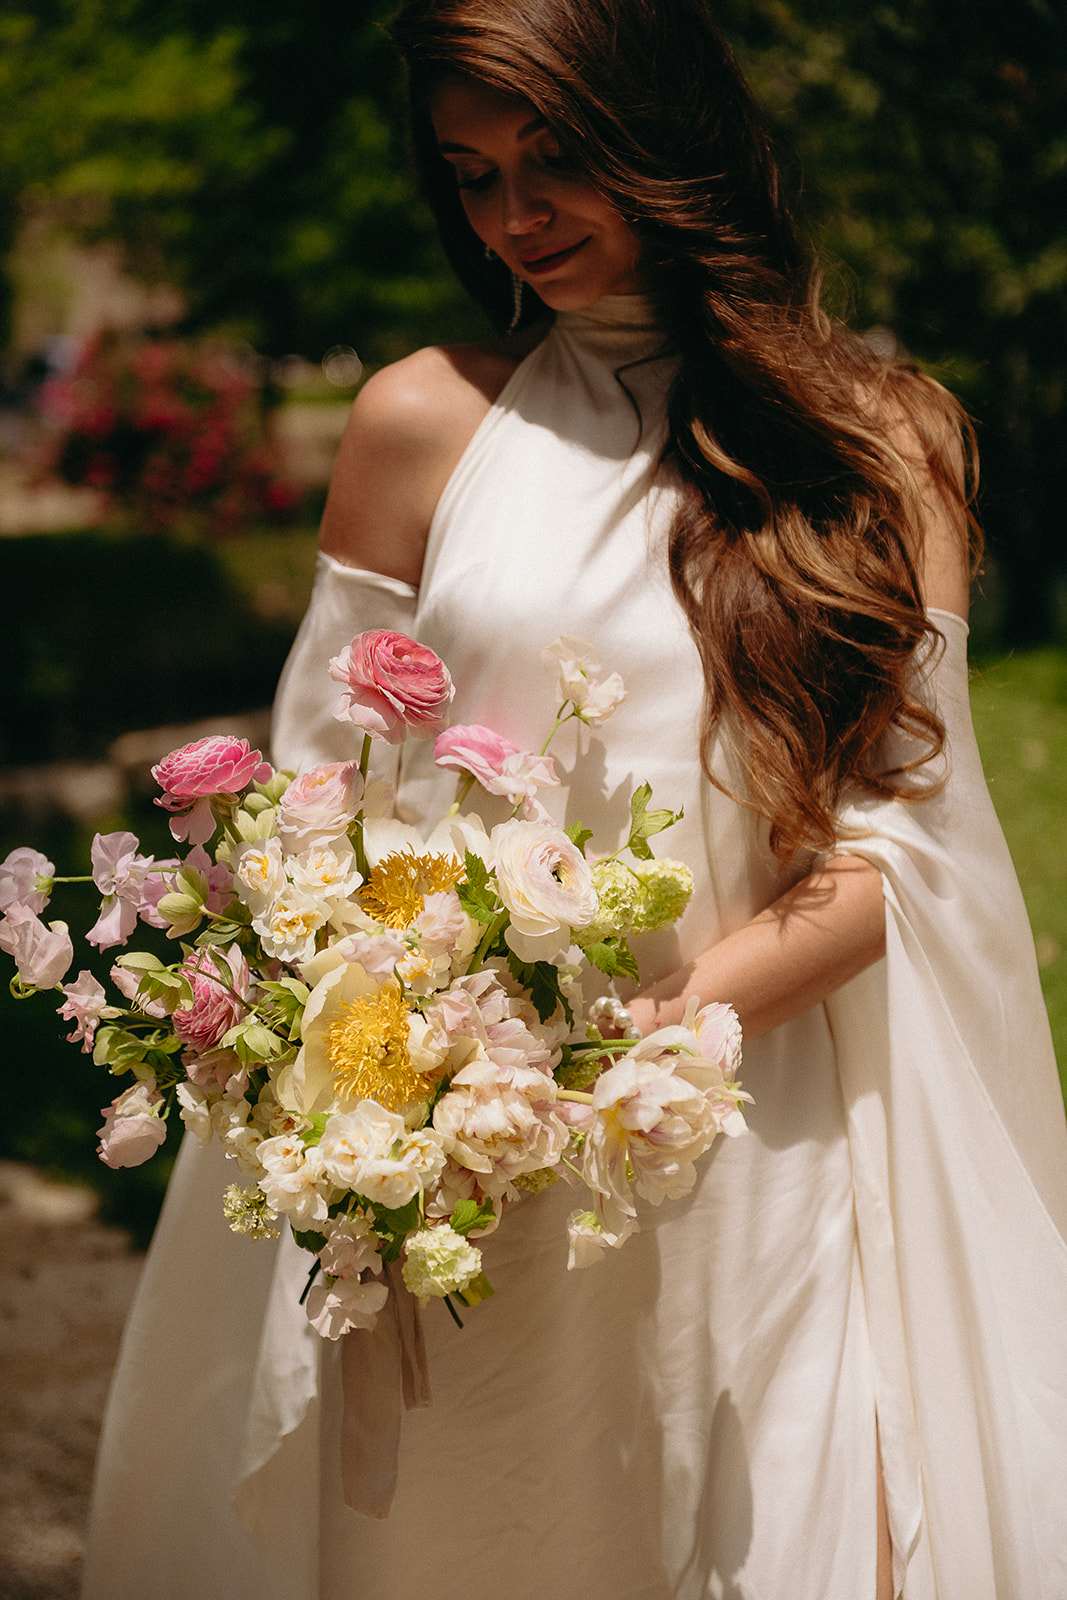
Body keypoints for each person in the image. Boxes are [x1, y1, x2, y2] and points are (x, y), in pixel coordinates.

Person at [81, 3, 1067, 1597]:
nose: (516, 218)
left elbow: (904, 852)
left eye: (556, 160)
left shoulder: (884, 440)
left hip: (753, 1122)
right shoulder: (422, 421)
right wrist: (416, 1063)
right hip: (469, 1169)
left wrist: (635, 1039)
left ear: (668, 133)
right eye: (472, 175)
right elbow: (314, 810)